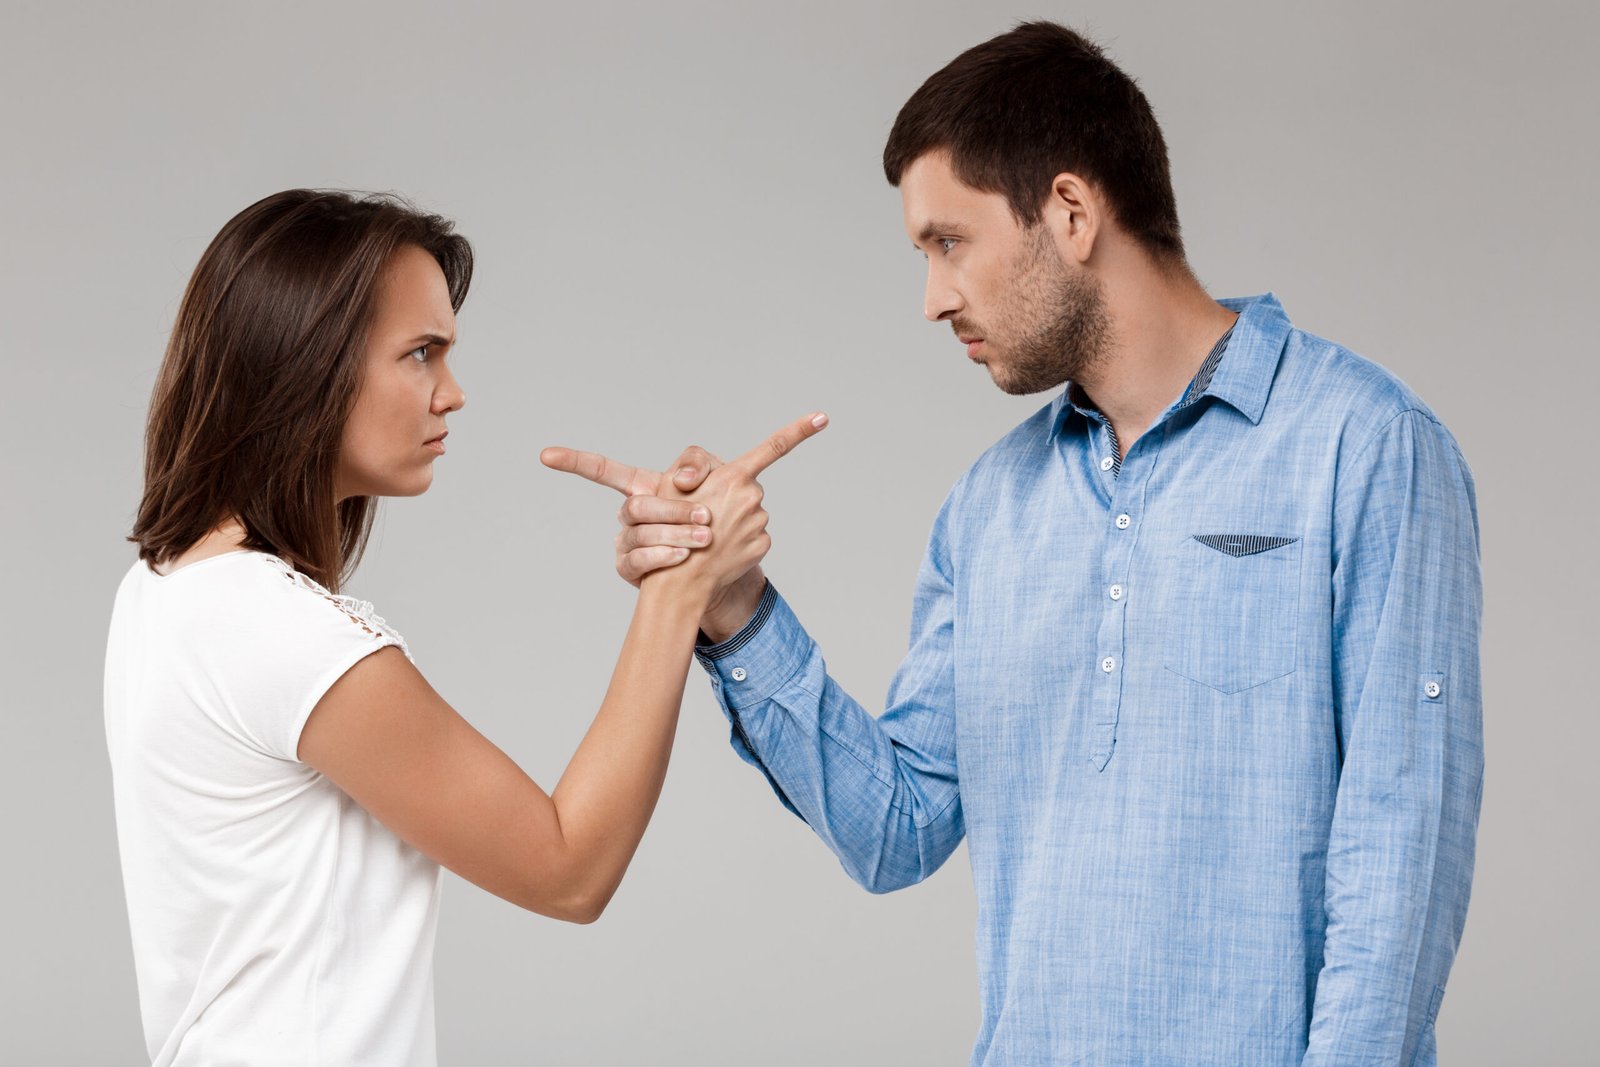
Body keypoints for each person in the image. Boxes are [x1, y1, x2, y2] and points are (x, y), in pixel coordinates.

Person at [545, 20, 1484, 1067]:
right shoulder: (988, 510)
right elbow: (895, 825)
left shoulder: (1365, 445)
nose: (934, 296)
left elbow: (1401, 849)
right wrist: (732, 603)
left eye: (949, 241)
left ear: (1071, 212)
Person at [103, 188, 826, 1066]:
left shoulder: (164, 588)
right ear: (304, 363)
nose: (453, 393)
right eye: (420, 354)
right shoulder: (272, 628)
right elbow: (568, 868)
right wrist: (679, 589)